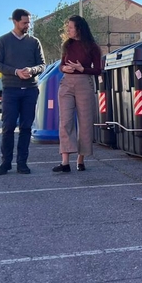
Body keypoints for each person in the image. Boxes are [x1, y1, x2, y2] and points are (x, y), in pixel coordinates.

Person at [0, 9, 46, 175]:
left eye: (29, 22)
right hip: (11, 90)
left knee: (26, 127)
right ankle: (6, 163)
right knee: (8, 127)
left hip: (30, 90)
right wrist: (16, 72)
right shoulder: (3, 41)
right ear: (15, 22)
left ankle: (22, 163)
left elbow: (42, 65)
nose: (27, 25)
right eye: (24, 23)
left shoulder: (34, 42)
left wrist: (32, 70)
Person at [52, 15, 102, 173]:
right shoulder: (67, 45)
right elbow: (61, 65)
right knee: (65, 121)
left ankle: (81, 159)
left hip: (84, 83)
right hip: (66, 83)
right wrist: (64, 68)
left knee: (85, 122)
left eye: (71, 27)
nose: (68, 30)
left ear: (79, 29)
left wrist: (82, 69)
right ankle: (65, 162)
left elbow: (98, 70)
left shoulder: (93, 47)